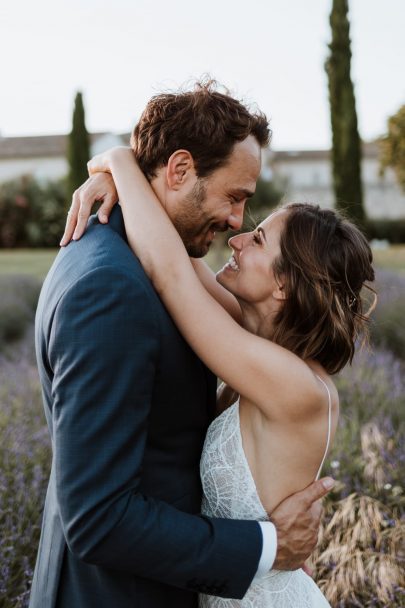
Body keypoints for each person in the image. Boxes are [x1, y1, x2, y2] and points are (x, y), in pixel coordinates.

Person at [31, 82, 334, 608]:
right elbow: (99, 519)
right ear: (179, 170)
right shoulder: (111, 288)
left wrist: (119, 166)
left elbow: (173, 267)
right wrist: (268, 543)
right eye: (235, 196)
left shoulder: (140, 263)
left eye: (255, 225)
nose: (238, 224)